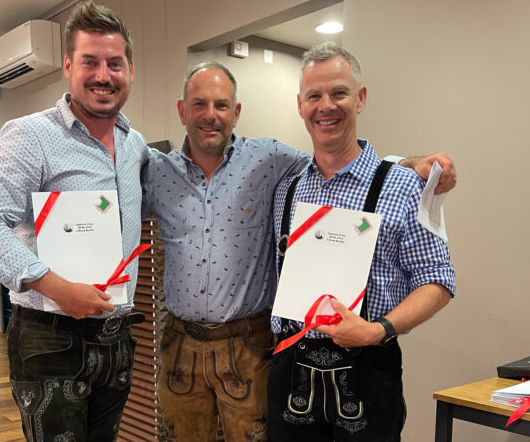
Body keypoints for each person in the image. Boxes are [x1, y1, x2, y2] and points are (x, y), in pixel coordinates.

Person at [143, 62, 456, 442]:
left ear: (236, 112)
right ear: (182, 110)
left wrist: (404, 166)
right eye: (198, 104)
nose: (210, 115)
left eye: (221, 105)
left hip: (277, 349)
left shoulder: (271, 161)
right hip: (232, 354)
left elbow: (338, 160)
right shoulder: (165, 173)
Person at [0, 1, 147, 442]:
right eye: (89, 62)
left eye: (114, 63)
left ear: (130, 70)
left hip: (116, 339)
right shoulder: (30, 136)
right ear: (68, 66)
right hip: (50, 339)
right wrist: (57, 287)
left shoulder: (135, 145)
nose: (103, 75)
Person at [267, 43, 456, 441]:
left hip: (369, 369)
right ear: (300, 105)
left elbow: (438, 280)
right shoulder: (287, 189)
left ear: (361, 98)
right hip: (291, 369)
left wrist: (378, 329)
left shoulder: (404, 186)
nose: (326, 106)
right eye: (314, 96)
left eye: (339, 93)